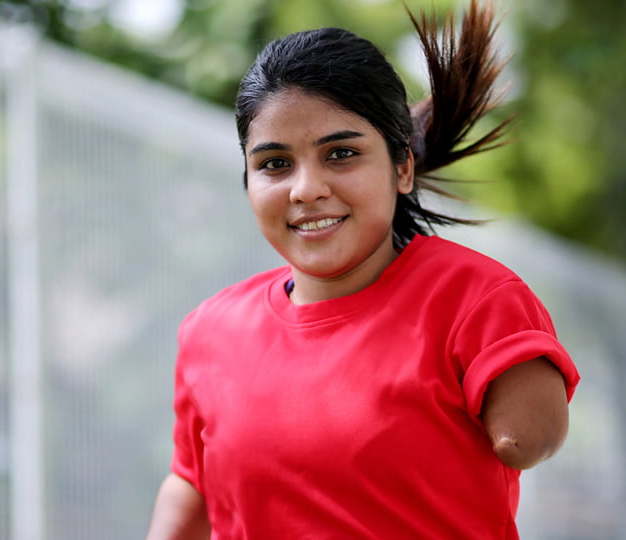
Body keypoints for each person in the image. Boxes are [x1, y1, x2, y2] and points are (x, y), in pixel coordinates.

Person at [145, 1, 580, 538]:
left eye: (341, 154)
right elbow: (192, 483)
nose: (306, 189)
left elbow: (532, 437)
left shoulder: (475, 298)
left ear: (402, 168)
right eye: (274, 164)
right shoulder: (209, 331)